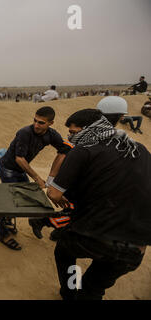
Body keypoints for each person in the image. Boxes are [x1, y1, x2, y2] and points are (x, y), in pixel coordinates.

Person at [47, 109, 150, 300]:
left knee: (63, 250)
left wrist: (65, 199)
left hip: (94, 238)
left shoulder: (83, 150)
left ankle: (69, 292)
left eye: (74, 133)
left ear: (89, 129)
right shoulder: (140, 149)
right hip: (135, 249)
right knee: (93, 290)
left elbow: (53, 192)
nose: (71, 137)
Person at [0, 107, 72, 251]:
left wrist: (54, 177)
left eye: (41, 123)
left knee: (29, 197)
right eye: (35, 121)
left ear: (51, 123)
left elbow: (64, 149)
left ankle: (20, 219)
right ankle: (3, 233)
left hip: (20, 170)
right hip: (8, 169)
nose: (36, 125)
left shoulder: (51, 135)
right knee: (12, 202)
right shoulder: (25, 133)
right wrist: (37, 177)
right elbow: (19, 159)